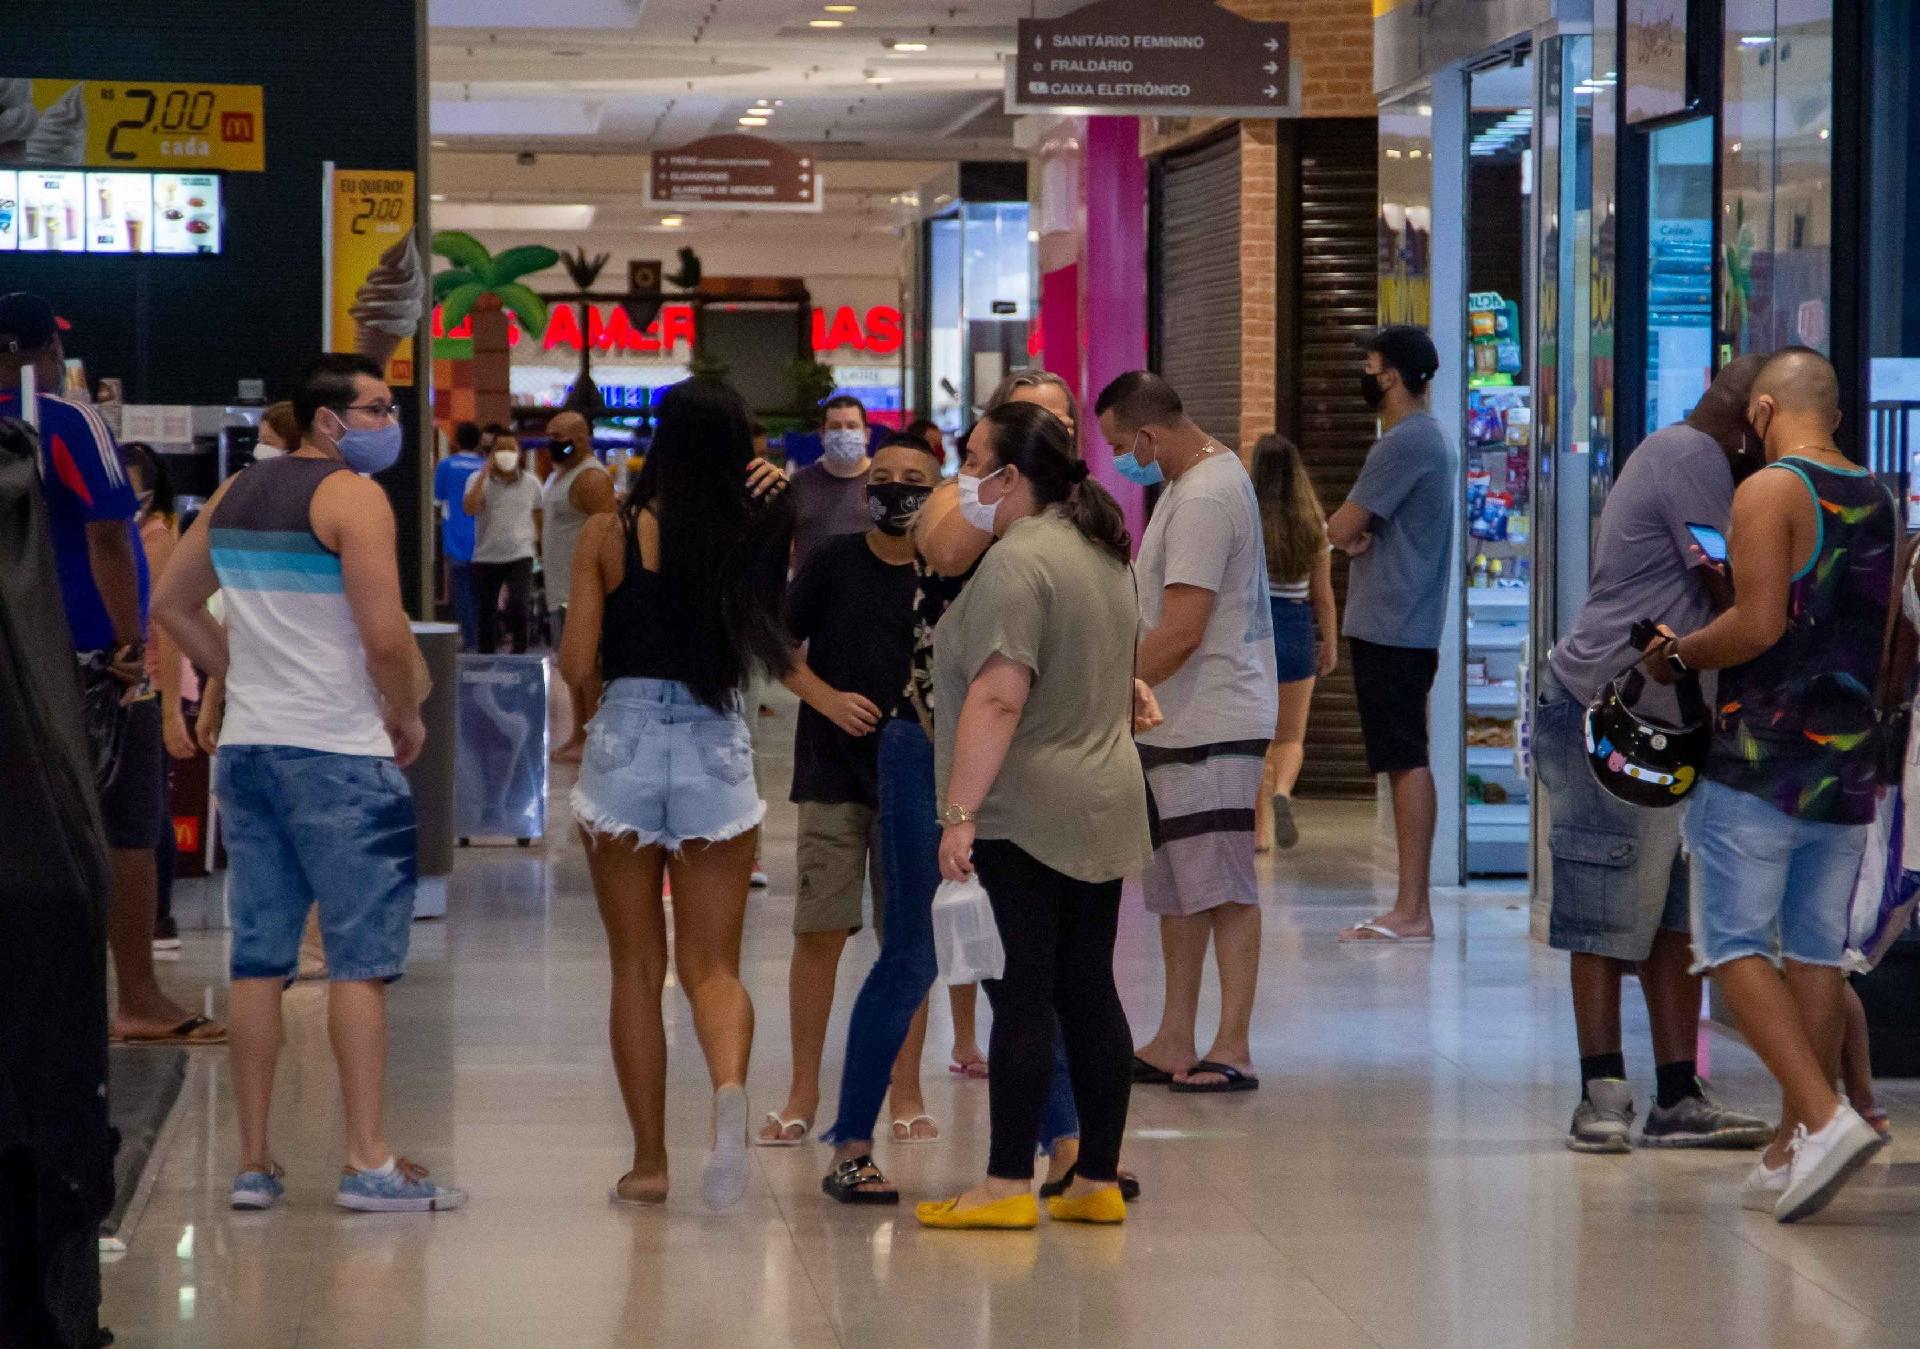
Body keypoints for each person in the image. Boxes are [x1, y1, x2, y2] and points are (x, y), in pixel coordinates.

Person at [153, 352, 464, 1213]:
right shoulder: (353, 498)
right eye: (373, 408)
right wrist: (406, 712)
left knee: (259, 960)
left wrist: (239, 673)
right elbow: (385, 635)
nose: (386, 421)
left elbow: (172, 606)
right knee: (359, 963)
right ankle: (367, 1161)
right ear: (328, 420)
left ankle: (254, 1162)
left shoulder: (234, 496)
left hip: (251, 751)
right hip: (338, 752)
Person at [821, 370, 1121, 1206]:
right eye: (1025, 418)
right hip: (936, 747)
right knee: (918, 950)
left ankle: (1068, 1148)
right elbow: (946, 550)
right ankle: (852, 1138)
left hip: (1032, 767)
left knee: (1031, 972)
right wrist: (988, 493)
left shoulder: (1080, 526)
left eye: (1056, 419)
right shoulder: (972, 506)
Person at [1640, 348, 1896, 1223]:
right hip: (1849, 758)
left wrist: (1679, 650)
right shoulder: (1877, 493)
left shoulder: (1768, 491)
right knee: (1818, 952)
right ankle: (1792, 1144)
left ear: (1764, 408)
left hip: (1762, 757)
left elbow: (1756, 624)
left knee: (1733, 944)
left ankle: (1823, 1122)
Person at [916, 400, 1150, 1230]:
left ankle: (1007, 1182)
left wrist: (958, 812)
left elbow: (999, 694)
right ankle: (1094, 1177)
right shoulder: (1101, 551)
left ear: (1012, 476)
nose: (962, 480)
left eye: (974, 461)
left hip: (1030, 807)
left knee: (1022, 995)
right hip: (1107, 794)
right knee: (1089, 986)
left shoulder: (1018, 562)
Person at [560, 377, 793, 1211]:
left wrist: (589, 721)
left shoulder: (606, 531)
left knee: (635, 965)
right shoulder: (754, 525)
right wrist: (775, 504)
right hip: (715, 740)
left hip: (623, 732)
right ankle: (727, 1086)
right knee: (712, 964)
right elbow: (773, 633)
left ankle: (650, 1162)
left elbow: (579, 662)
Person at [1534, 356, 1775, 1154]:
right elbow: (1731, 594)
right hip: (1613, 712)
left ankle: (1679, 1092)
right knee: (1603, 903)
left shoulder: (1700, 457)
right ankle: (1601, 1092)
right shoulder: (1691, 457)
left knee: (1672, 912)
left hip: (1670, 721)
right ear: (1751, 423)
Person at [0, 291, 224, 1047]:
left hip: (16, 657)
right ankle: (137, 996)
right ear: (39, 351)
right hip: (88, 658)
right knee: (130, 823)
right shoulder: (67, 420)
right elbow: (106, 534)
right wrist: (133, 643)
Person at [1094, 372, 1278, 1094]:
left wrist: (1104, 691)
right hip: (1178, 721)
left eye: (1119, 444)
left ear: (1149, 433)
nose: (1119, 458)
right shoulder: (1190, 478)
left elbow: (1182, 631)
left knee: (1224, 886)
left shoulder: (1202, 496)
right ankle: (1175, 1034)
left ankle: (1232, 1044)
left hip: (1213, 719)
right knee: (1176, 890)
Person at [759, 432, 942, 1148]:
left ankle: (907, 1087)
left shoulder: (949, 568)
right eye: (885, 477)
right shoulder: (834, 560)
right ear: (866, 491)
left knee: (908, 940)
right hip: (832, 770)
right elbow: (777, 645)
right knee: (819, 930)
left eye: (913, 478)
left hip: (917, 778)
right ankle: (805, 1086)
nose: (897, 489)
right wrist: (827, 697)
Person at [1327, 325, 1456, 943]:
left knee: (1405, 758)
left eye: (1373, 366)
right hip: (1401, 622)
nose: (1367, 376)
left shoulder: (1404, 442)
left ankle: (1412, 908)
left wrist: (1350, 534)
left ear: (1395, 376)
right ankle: (1410, 906)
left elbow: (1340, 527)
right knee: (1402, 755)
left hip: (1393, 624)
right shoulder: (1422, 441)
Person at [121, 445, 196, 958]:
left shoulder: (158, 536)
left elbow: (167, 629)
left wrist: (170, 706)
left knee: (151, 806)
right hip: (120, 685)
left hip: (150, 686)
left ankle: (159, 915)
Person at [1249, 433, 1338, 852]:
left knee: (1254, 739)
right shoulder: (1313, 522)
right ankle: (1283, 791)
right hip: (1297, 629)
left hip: (1255, 632)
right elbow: (1323, 595)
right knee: (1290, 738)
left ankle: (1260, 831)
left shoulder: (1246, 517)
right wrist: (1330, 644)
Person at [541, 411, 616, 763]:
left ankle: (592, 736)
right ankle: (578, 732)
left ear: (582, 438)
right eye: (550, 436)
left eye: (559, 437)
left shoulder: (590, 479)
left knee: (589, 668)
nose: (552, 444)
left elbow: (610, 532)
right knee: (572, 666)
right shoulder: (562, 474)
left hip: (582, 590)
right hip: (560, 587)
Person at [463, 431, 542, 654]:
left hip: (520, 553)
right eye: (501, 450)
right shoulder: (476, 480)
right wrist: (484, 474)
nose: (506, 456)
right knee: (486, 613)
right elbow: (470, 508)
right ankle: (486, 657)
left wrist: (538, 547)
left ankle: (520, 652)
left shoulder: (531, 483)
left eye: (511, 450)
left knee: (518, 606)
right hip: (487, 555)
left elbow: (538, 515)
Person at [790, 394, 872, 572]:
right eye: (835, 427)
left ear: (866, 434)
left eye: (852, 426)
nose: (844, 433)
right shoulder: (800, 483)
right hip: (810, 594)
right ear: (822, 434)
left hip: (869, 593)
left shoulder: (883, 482)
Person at [433, 421, 485, 651]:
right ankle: (483, 638)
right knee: (481, 591)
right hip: (483, 538)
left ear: (457, 440)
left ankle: (469, 637)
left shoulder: (446, 466)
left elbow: (437, 500)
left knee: (461, 591)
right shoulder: (485, 467)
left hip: (455, 537)